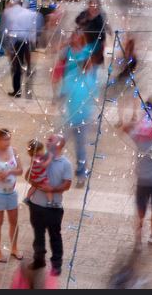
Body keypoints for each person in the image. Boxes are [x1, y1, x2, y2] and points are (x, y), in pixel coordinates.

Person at [119, 97, 152, 246]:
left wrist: (137, 122)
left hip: (142, 179)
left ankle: (138, 237)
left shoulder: (139, 136)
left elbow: (123, 128)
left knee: (140, 210)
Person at [56, 31, 98, 187]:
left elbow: (94, 99)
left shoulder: (89, 81)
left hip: (81, 119)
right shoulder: (72, 78)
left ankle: (80, 174)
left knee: (79, 147)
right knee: (61, 144)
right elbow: (62, 95)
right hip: (70, 117)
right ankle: (61, 171)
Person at [26, 133, 72, 276]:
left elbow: (67, 184)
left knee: (55, 236)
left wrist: (51, 189)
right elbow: (28, 176)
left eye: (50, 140)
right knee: (38, 235)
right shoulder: (39, 157)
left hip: (54, 208)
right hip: (36, 205)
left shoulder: (66, 164)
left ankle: (56, 264)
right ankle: (39, 260)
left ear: (58, 144)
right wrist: (35, 182)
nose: (47, 141)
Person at [0, 128, 24, 263]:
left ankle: (14, 248)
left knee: (14, 221)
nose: (7, 142)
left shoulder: (14, 151)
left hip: (11, 192)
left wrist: (10, 172)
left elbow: (20, 170)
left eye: (9, 139)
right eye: (5, 139)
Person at [0, 0, 42, 98]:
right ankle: (28, 77)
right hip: (25, 40)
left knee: (16, 66)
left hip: (15, 41)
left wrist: (6, 44)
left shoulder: (8, 12)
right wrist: (33, 39)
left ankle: (17, 90)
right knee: (24, 62)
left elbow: (5, 29)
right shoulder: (28, 13)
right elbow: (35, 23)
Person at [75, 0, 107, 65]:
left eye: (95, 5)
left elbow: (102, 34)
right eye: (92, 5)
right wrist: (84, 20)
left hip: (95, 44)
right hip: (83, 42)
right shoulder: (84, 14)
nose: (93, 7)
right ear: (89, 6)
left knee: (89, 62)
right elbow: (77, 20)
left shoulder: (100, 17)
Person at [25, 139, 54, 206]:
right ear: (36, 152)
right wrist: (50, 158)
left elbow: (44, 154)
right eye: (40, 150)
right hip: (40, 177)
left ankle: (27, 198)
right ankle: (50, 202)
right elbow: (44, 165)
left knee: (33, 187)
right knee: (48, 189)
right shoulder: (37, 159)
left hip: (34, 176)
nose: (42, 151)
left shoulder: (34, 157)